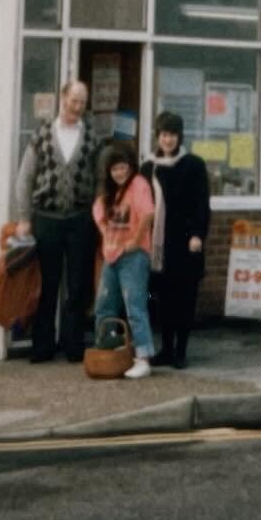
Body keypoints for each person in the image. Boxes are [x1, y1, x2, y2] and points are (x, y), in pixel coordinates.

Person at [14, 80, 104, 363]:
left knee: (78, 286)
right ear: (63, 98)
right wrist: (24, 218)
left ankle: (73, 345)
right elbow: (25, 179)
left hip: (80, 220)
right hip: (46, 220)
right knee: (47, 285)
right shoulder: (41, 135)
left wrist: (99, 216)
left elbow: (101, 180)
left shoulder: (92, 137)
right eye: (73, 100)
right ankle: (42, 346)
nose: (77, 107)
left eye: (82, 102)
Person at [142, 111, 211, 369]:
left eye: (172, 135)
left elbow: (201, 204)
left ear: (179, 137)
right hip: (158, 245)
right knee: (161, 298)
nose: (168, 140)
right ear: (157, 137)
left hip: (185, 243)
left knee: (185, 298)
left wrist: (197, 235)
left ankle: (181, 351)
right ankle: (166, 349)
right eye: (163, 135)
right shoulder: (148, 167)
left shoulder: (193, 165)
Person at [92, 141, 155, 380]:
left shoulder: (138, 184)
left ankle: (144, 358)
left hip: (134, 256)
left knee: (135, 306)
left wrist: (136, 240)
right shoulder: (108, 192)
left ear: (130, 167)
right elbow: (98, 213)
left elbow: (148, 213)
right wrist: (107, 236)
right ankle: (107, 353)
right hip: (111, 256)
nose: (119, 172)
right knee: (104, 306)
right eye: (114, 169)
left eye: (123, 167)